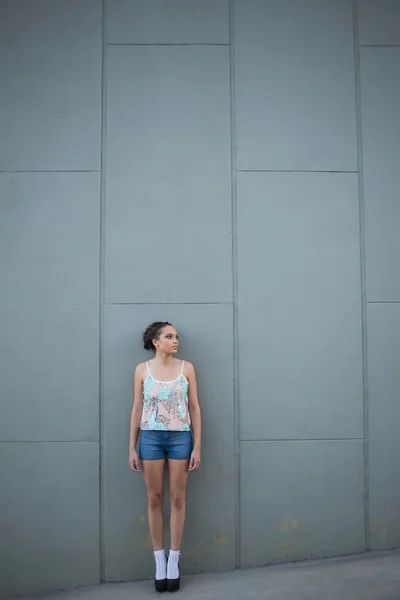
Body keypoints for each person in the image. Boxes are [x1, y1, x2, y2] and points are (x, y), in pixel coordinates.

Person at [129, 321, 201, 593]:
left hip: (181, 437)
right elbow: (137, 409)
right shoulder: (141, 370)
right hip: (150, 439)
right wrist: (131, 447)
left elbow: (194, 408)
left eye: (176, 336)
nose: (175, 341)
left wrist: (197, 446)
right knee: (154, 498)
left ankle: (174, 560)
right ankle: (160, 561)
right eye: (169, 336)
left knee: (178, 497)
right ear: (155, 342)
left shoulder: (187, 368)